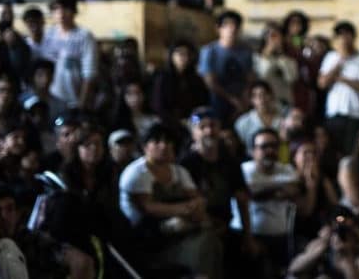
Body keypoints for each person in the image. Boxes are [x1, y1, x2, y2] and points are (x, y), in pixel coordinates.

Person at [118, 122, 221, 277]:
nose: (163, 146)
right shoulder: (137, 172)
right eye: (157, 141)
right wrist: (185, 209)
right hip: (144, 236)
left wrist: (194, 209)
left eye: (167, 142)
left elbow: (198, 199)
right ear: (145, 146)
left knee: (210, 238)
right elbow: (148, 207)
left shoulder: (179, 171)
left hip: (176, 231)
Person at [178, 108, 259, 263]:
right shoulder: (185, 164)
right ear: (193, 132)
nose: (209, 131)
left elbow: (242, 200)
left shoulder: (230, 162)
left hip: (226, 228)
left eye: (213, 125)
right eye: (202, 127)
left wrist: (248, 238)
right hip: (196, 229)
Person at [0, 183, 94, 279]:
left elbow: (82, 262)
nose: (4, 216)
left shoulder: (33, 240)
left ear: (17, 213)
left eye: (10, 209)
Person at [241, 129, 300, 273]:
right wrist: (279, 187)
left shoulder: (287, 169)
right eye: (264, 146)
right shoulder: (243, 170)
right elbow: (250, 193)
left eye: (274, 146)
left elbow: (294, 190)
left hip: (281, 239)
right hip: (250, 237)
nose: (270, 150)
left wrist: (261, 189)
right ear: (253, 150)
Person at [318, 22, 359, 156]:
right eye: (339, 36)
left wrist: (341, 79)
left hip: (356, 115)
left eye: (346, 35)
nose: (343, 39)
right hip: (334, 114)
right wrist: (340, 61)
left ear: (354, 37)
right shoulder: (331, 57)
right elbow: (322, 83)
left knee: (352, 155)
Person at [39, 0, 99, 111]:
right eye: (56, 9)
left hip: (75, 99)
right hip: (53, 97)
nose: (61, 13)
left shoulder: (84, 36)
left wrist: (82, 103)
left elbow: (89, 73)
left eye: (65, 8)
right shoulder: (49, 34)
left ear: (73, 11)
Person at [287, 207, 359, 279]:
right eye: (337, 230)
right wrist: (321, 249)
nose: (341, 234)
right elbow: (294, 269)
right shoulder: (320, 244)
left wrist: (347, 256)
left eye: (348, 231)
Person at [199, 11, 253, 124]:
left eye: (235, 25)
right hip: (218, 103)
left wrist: (244, 98)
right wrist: (232, 100)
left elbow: (250, 78)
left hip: (242, 102)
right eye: (227, 25)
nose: (232, 28)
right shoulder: (209, 51)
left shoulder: (246, 51)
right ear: (218, 29)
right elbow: (210, 82)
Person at [150, 40, 209, 127]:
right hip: (167, 122)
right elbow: (159, 107)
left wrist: (193, 122)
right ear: (172, 56)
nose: (184, 57)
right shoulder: (163, 78)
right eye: (180, 54)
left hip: (191, 123)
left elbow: (201, 106)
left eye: (188, 54)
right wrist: (177, 122)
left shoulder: (197, 80)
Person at [291, 138, 339, 243]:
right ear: (295, 157)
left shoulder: (323, 178)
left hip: (323, 225)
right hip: (300, 229)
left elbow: (335, 205)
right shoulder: (291, 180)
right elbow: (306, 212)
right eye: (306, 152)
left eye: (313, 152)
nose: (310, 156)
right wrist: (311, 185)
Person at [234, 81, 286, 158]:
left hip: (280, 159)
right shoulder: (242, 122)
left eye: (265, 94)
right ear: (251, 100)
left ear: (271, 96)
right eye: (256, 96)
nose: (262, 99)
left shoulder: (284, 119)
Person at [253, 24, 298, 108]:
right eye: (271, 35)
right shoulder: (257, 57)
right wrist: (267, 54)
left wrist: (281, 55)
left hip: (283, 102)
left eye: (277, 36)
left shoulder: (289, 58)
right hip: (264, 103)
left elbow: (291, 78)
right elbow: (263, 76)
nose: (273, 39)